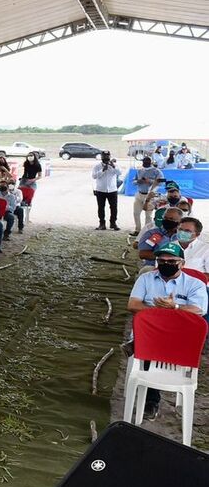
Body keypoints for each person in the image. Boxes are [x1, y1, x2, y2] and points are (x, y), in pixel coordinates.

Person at [127, 242, 209, 419]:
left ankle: (137, 349)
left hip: (179, 335)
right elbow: (133, 305)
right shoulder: (146, 279)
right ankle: (152, 401)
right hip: (151, 332)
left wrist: (176, 307)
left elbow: (199, 310)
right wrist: (162, 314)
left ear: (182, 263)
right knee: (151, 346)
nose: (165, 264)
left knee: (154, 348)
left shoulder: (195, 284)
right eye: (161, 260)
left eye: (171, 261)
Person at [130, 157, 164, 235]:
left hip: (150, 195)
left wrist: (150, 181)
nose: (145, 162)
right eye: (144, 161)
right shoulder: (139, 170)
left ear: (151, 162)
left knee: (148, 215)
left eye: (147, 161)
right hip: (139, 193)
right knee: (136, 212)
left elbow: (161, 182)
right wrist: (138, 181)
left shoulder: (156, 171)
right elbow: (133, 181)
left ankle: (146, 231)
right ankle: (137, 230)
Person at [91, 151, 123, 231]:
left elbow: (119, 173)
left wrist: (113, 166)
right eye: (104, 156)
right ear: (101, 157)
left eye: (107, 156)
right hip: (100, 190)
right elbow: (94, 176)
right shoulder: (97, 166)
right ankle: (102, 224)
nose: (106, 158)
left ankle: (113, 223)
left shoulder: (114, 165)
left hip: (112, 190)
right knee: (101, 207)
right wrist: (103, 170)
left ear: (110, 156)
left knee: (114, 207)